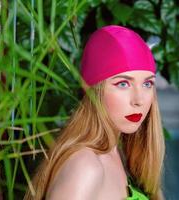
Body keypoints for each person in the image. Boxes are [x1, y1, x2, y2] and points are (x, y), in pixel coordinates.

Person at [24, 25, 165, 200]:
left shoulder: (120, 152)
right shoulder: (86, 167)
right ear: (93, 91)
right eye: (123, 84)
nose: (139, 100)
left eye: (147, 84)